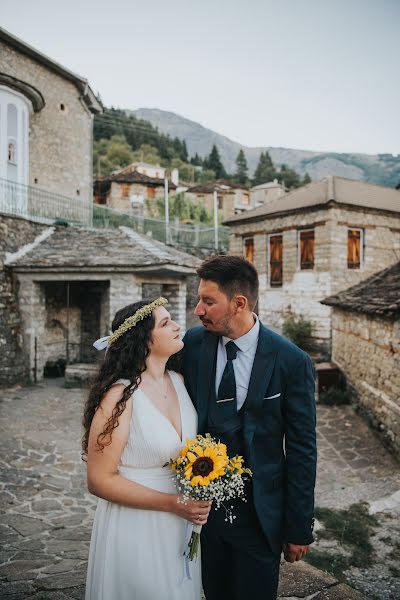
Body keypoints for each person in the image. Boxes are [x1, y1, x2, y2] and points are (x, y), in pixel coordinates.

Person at [181, 256, 317, 600]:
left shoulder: (292, 361)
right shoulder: (193, 346)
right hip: (204, 515)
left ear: (238, 303)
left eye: (208, 301)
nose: (198, 309)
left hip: (261, 518)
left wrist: (298, 527)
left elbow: (302, 449)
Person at [83, 298, 210, 600]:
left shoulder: (179, 381)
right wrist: (173, 503)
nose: (178, 326)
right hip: (136, 522)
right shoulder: (120, 397)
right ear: (144, 339)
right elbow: (99, 480)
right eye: (166, 323)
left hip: (180, 522)